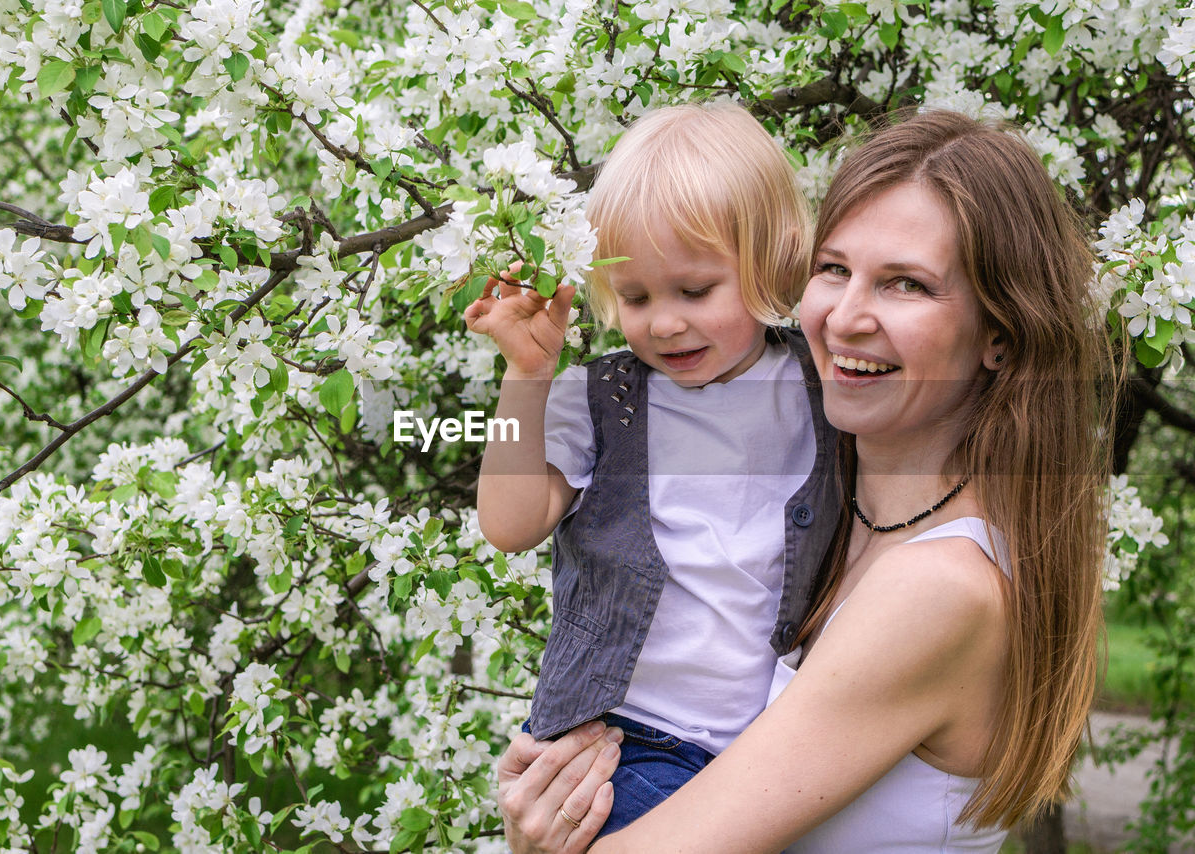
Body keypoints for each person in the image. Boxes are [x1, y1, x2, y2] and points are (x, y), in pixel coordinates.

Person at [496, 109, 1115, 853]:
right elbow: (511, 516)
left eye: (907, 285)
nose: (847, 317)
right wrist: (524, 383)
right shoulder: (832, 509)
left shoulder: (939, 587)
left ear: (999, 336)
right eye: (834, 269)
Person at [463, 103, 841, 836]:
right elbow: (508, 527)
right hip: (619, 743)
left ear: (773, 260)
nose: (663, 323)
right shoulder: (604, 399)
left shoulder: (821, 388)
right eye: (635, 297)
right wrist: (527, 376)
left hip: (762, 753)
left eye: (694, 291)